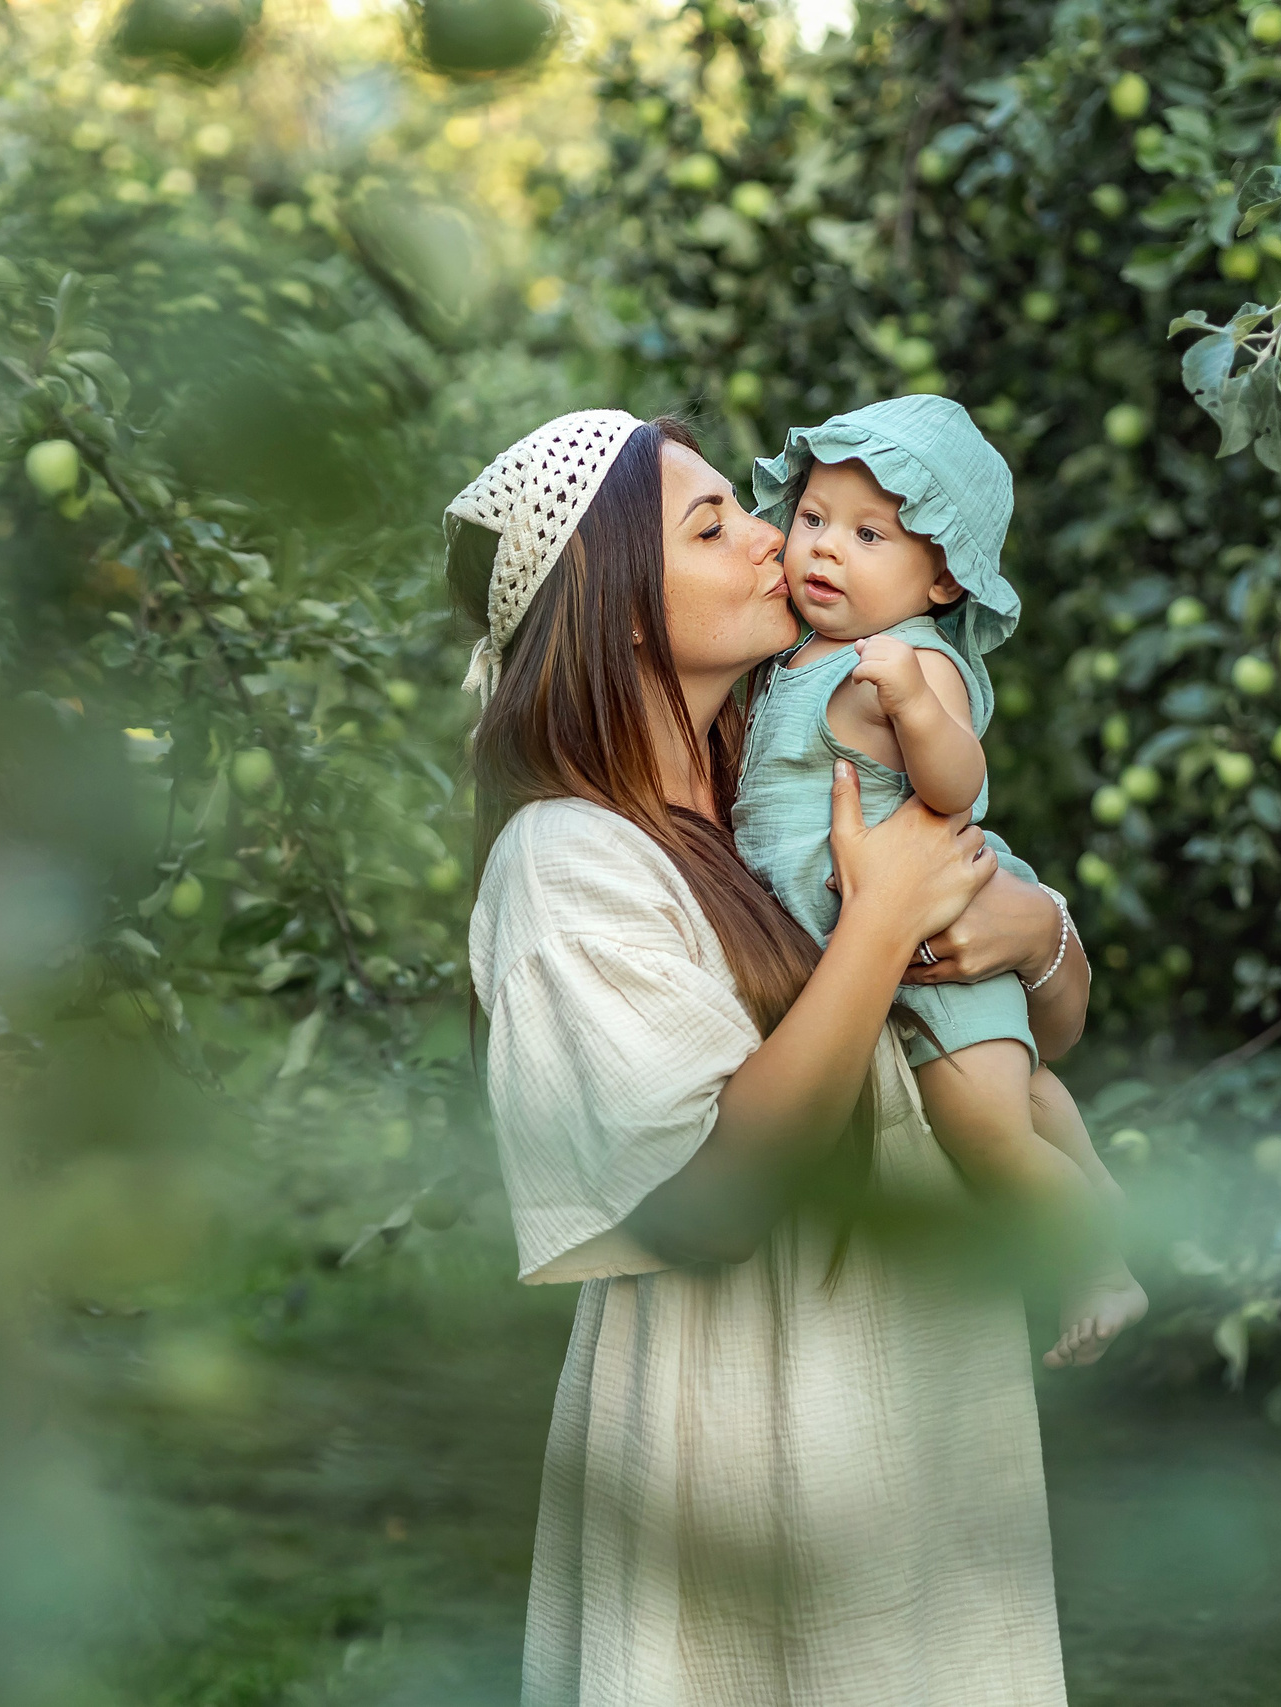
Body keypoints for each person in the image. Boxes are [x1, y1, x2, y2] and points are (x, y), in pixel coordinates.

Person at [450, 408, 1085, 1706]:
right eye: (712, 523)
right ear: (621, 605)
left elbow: (1018, 1042)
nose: (771, 539)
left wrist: (1043, 934)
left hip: (918, 1363)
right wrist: (891, 920)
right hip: (749, 1408)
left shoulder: (782, 795)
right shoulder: (571, 860)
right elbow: (713, 1188)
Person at [733, 394, 1146, 1367]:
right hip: (875, 943)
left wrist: (914, 707)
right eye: (812, 519)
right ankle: (1094, 1188)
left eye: (868, 534)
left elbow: (961, 783)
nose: (824, 549)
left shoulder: (915, 663)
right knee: (1023, 1099)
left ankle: (1096, 1265)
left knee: (984, 1127)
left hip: (938, 944)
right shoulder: (796, 655)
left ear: (944, 582)